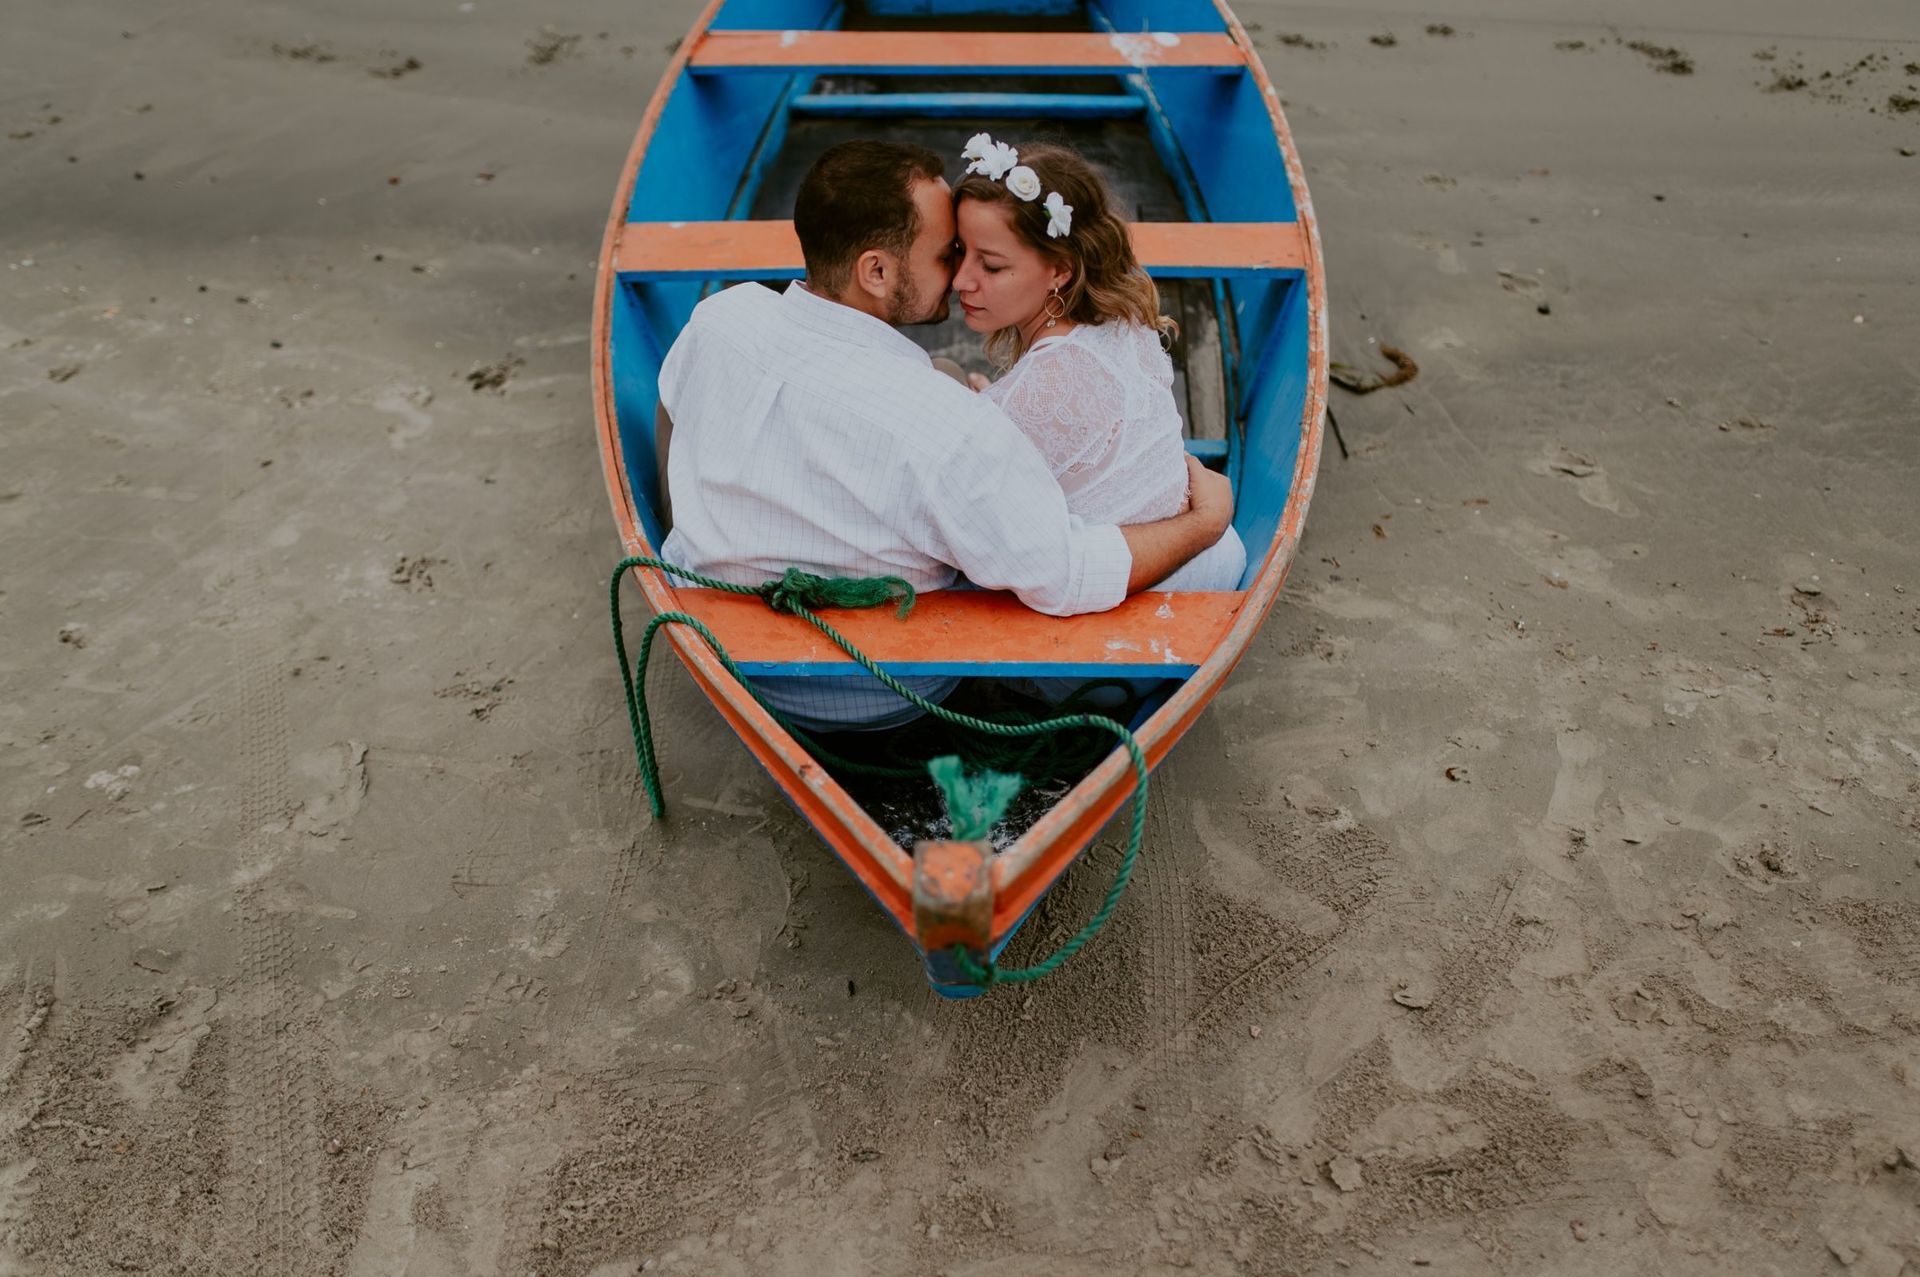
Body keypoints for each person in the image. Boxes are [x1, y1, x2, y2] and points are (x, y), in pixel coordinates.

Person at [652, 139, 1234, 733]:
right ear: (876, 270)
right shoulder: (950, 428)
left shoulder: (720, 318)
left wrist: (711, 505)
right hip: (884, 695)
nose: (958, 277)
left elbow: (671, 403)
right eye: (946, 254)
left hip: (716, 648)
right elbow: (1068, 574)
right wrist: (1203, 524)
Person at [951, 136, 1247, 593]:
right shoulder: (1123, 324)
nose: (960, 280)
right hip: (1215, 559)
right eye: (958, 252)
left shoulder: (1046, 386)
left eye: (990, 266)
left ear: (1060, 270)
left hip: (1141, 587)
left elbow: (967, 526)